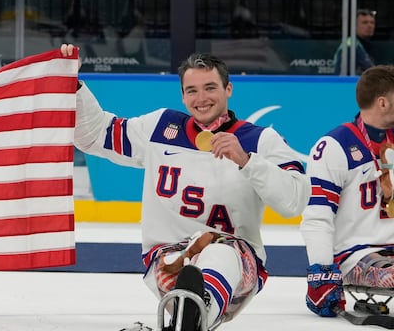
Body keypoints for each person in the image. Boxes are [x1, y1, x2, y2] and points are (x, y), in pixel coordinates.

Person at [60, 45, 310, 330]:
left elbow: (295, 201)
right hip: (168, 259)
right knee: (186, 273)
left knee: (218, 251)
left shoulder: (260, 140)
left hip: (237, 265)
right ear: (182, 95)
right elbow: (95, 136)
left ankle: (193, 311)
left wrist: (246, 160)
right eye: (192, 90)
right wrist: (74, 84)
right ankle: (189, 317)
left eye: (210, 88)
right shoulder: (160, 128)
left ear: (229, 89)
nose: (201, 98)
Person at [300, 65, 394, 318]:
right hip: (356, 254)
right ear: (383, 102)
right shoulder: (334, 146)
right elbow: (317, 216)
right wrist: (322, 271)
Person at [333, 9, 377, 74]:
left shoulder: (364, 45)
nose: (369, 26)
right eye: (365, 22)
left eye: (372, 23)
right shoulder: (352, 46)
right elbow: (372, 72)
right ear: (354, 26)